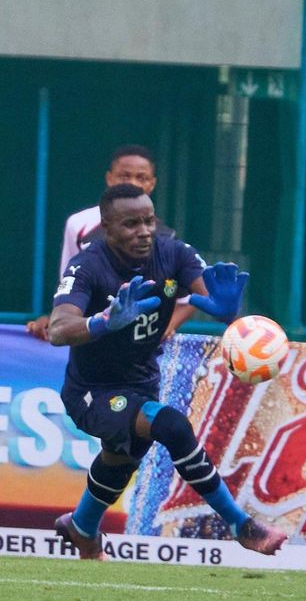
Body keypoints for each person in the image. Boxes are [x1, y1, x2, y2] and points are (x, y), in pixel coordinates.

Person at [48, 183, 286, 560]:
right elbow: (58, 329)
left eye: (148, 220)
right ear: (106, 228)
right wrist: (103, 322)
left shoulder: (172, 252)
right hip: (92, 391)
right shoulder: (87, 265)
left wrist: (225, 310)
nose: (144, 231)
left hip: (142, 380)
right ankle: (242, 525)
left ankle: (81, 527)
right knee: (172, 425)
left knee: (120, 459)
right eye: (130, 224)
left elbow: (206, 290)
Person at [26, 144, 193, 341]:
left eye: (141, 177)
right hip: (91, 339)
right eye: (124, 175)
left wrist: (164, 328)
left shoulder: (167, 239)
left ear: (152, 184)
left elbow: (188, 299)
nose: (132, 183)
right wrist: (57, 319)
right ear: (109, 178)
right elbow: (68, 286)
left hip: (139, 345)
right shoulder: (78, 225)